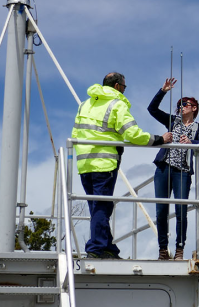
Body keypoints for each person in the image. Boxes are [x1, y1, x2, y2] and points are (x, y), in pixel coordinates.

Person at [72, 72, 173, 259]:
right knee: (102, 207)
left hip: (84, 163)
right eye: (125, 87)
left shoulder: (85, 105)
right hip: (103, 163)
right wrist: (159, 139)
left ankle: (108, 247)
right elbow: (132, 134)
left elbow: (77, 132)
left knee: (97, 207)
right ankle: (96, 249)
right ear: (118, 86)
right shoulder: (116, 104)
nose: (125, 91)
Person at [148, 77, 199, 260]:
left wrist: (192, 142)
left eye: (185, 104)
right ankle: (163, 250)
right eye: (179, 104)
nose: (181, 106)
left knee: (181, 210)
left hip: (182, 171)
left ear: (194, 108)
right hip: (163, 168)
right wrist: (163, 91)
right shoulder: (172, 121)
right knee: (161, 210)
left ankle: (180, 249)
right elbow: (151, 109)